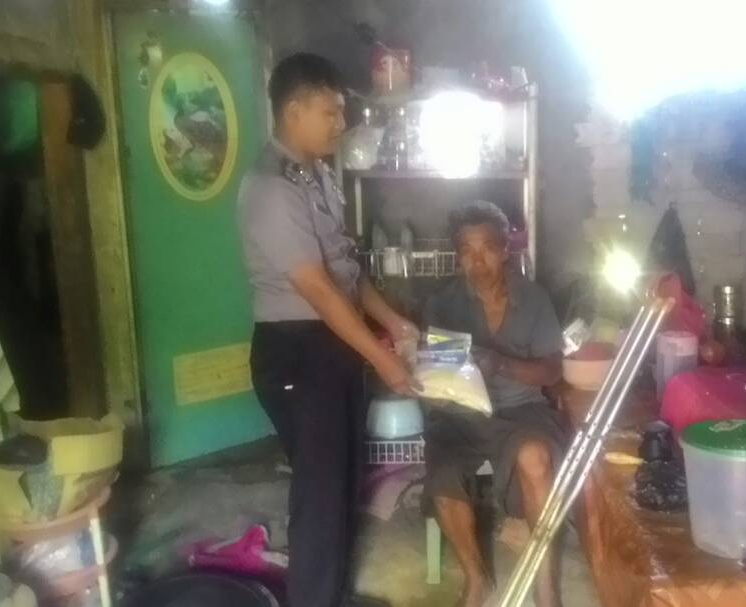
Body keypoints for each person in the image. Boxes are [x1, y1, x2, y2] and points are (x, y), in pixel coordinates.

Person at [237, 53, 417, 607]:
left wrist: (392, 321)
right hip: (295, 349)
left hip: (331, 344)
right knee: (318, 496)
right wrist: (382, 359)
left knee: (341, 483)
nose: (342, 123)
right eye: (330, 112)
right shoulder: (270, 188)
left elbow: (345, 271)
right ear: (293, 111)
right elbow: (317, 289)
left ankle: (332, 596)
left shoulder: (315, 175)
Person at [423, 201, 566, 607]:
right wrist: (429, 384)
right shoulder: (443, 304)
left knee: (536, 456)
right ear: (457, 257)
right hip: (461, 415)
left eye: (486, 248)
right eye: (466, 251)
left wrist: (502, 363)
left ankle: (545, 584)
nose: (477, 261)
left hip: (522, 411)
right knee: (443, 473)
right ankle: (477, 579)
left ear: (505, 250)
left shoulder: (534, 300)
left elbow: (552, 371)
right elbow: (438, 377)